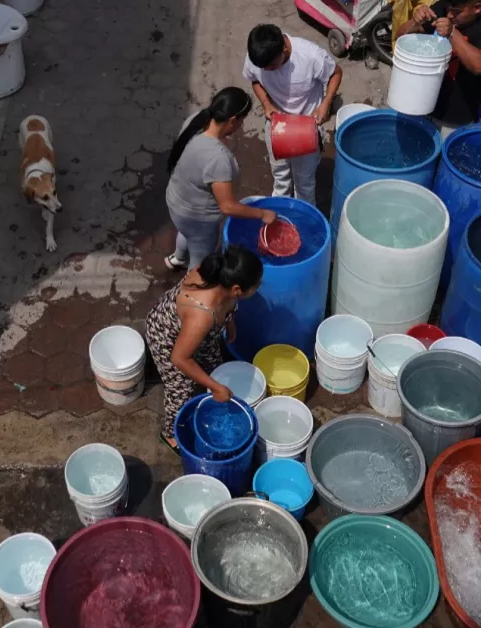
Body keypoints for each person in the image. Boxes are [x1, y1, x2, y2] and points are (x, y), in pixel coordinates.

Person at [145, 246, 264, 451]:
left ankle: (210, 385)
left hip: (198, 333)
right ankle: (169, 435)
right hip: (166, 337)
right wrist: (217, 388)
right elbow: (180, 359)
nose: (259, 287)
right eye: (256, 285)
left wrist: (229, 323)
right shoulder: (202, 315)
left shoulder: (219, 273)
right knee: (181, 388)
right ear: (237, 289)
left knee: (214, 366)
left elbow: (228, 305)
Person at [164, 87, 277, 271]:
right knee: (201, 262)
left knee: (186, 233)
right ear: (233, 120)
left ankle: (178, 259)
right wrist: (263, 214)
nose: (241, 125)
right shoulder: (218, 159)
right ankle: (189, 290)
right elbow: (228, 206)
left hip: (177, 204)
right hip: (199, 219)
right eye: (242, 120)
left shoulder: (196, 120)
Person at [243, 24, 343, 204]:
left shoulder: (310, 56)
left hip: (306, 128)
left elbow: (335, 73)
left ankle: (303, 221)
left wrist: (326, 103)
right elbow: (254, 80)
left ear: (284, 49)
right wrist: (266, 104)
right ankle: (280, 215)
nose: (267, 71)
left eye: (272, 67)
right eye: (263, 68)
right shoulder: (257, 57)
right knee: (280, 179)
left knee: (304, 184)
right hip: (276, 126)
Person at [396, 0, 481, 131]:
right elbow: (401, 37)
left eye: (456, 11)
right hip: (418, 105)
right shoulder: (442, 7)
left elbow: (480, 65)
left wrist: (452, 33)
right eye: (448, 8)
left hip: (454, 119)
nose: (449, 15)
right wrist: (415, 22)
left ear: (477, 8)